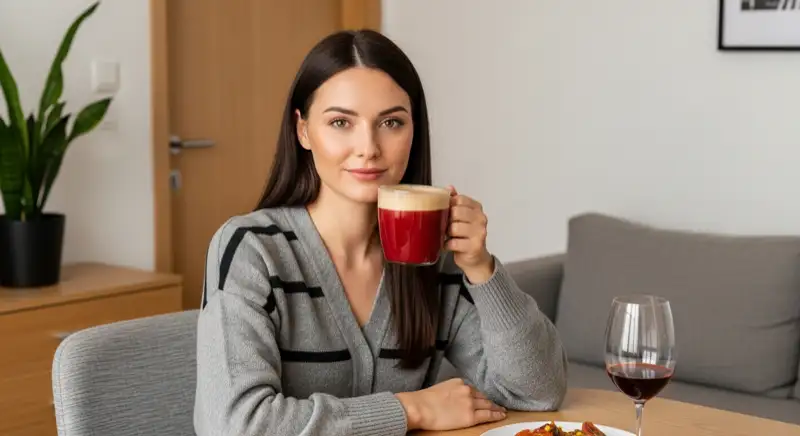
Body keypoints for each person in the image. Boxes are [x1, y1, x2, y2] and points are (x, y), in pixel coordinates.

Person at [193, 29, 568, 436]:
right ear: (302, 131)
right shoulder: (252, 250)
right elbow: (234, 426)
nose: (368, 147)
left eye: (391, 122)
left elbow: (537, 393)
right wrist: (410, 410)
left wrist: (482, 268)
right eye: (341, 122)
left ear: (414, 131)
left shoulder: (434, 259)